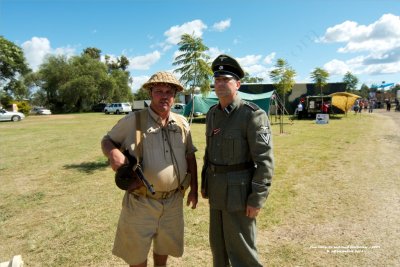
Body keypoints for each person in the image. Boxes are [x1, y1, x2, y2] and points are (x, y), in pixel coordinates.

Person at [101, 71, 198, 267]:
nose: (164, 96)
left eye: (169, 92)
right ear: (150, 94)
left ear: (174, 96)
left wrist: (194, 189)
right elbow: (107, 140)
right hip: (140, 202)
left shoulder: (182, 123)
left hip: (173, 201)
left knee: (163, 252)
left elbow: (190, 156)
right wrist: (113, 153)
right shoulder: (134, 121)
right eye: (158, 91)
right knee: (137, 258)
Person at [201, 54, 274, 267]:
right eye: (217, 80)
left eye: (226, 79)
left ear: (237, 84)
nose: (221, 84)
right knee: (219, 249)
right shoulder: (212, 113)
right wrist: (206, 184)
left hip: (239, 196)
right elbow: (209, 153)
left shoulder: (252, 115)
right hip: (216, 192)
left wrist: (256, 199)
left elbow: (265, 161)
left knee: (243, 253)